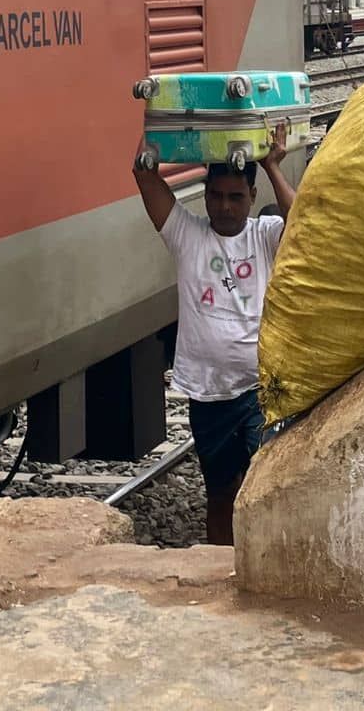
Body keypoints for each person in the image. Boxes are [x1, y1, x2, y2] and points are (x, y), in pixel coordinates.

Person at [132, 123, 296, 545]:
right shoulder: (186, 235)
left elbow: (306, 222)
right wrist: (158, 117)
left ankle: (265, 564)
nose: (224, 207)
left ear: (252, 197)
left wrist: (272, 166)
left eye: (235, 197)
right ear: (205, 196)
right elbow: (144, 175)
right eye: (216, 196)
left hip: (259, 390)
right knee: (221, 494)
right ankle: (221, 567)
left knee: (267, 490)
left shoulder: (265, 235)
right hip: (209, 396)